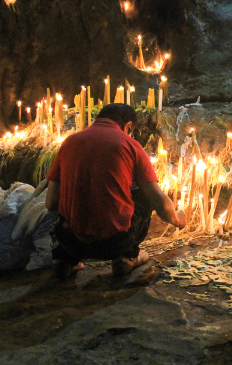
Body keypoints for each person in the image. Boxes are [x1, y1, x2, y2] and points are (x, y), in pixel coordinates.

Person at [45, 103, 186, 279]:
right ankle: (127, 259)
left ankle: (63, 261)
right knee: (143, 194)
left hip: (70, 241)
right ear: (127, 126)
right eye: (131, 130)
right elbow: (157, 199)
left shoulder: (69, 142)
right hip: (113, 244)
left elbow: (51, 202)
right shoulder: (130, 144)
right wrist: (177, 219)